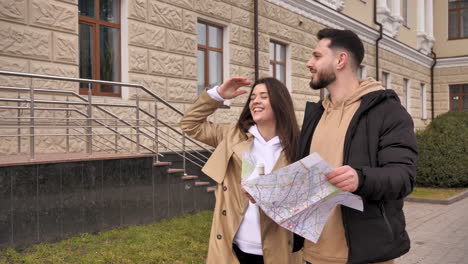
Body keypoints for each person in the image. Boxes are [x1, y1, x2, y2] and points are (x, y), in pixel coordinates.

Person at [292, 28, 418, 264]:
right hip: (312, 255)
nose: (309, 63)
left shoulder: (387, 111)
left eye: (317, 56)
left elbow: (404, 176)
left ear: (341, 60)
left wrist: (361, 179)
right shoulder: (316, 114)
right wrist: (270, 194)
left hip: (363, 257)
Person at [180, 77, 302, 264]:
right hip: (233, 249)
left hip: (279, 251)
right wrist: (218, 95)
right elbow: (190, 124)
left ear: (280, 103)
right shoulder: (232, 136)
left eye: (263, 96)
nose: (255, 101)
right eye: (252, 97)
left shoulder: (299, 144)